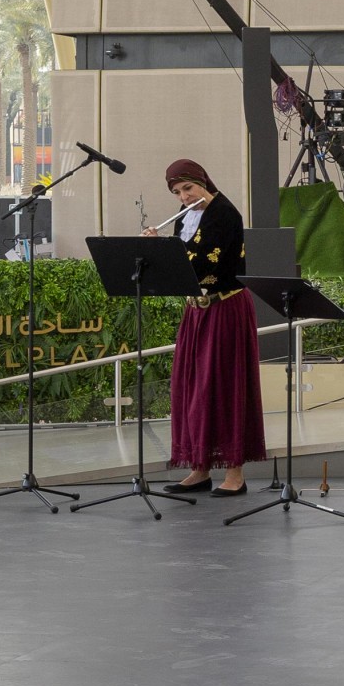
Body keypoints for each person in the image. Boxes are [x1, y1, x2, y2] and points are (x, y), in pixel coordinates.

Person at [142, 159, 267, 497]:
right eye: (178, 192)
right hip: (196, 313)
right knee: (193, 389)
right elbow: (177, 268)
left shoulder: (225, 215)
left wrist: (162, 251)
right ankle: (199, 468)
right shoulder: (184, 217)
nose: (184, 196)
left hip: (225, 308)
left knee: (226, 388)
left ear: (203, 182)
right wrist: (156, 250)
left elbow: (200, 264)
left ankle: (235, 473)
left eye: (188, 188)